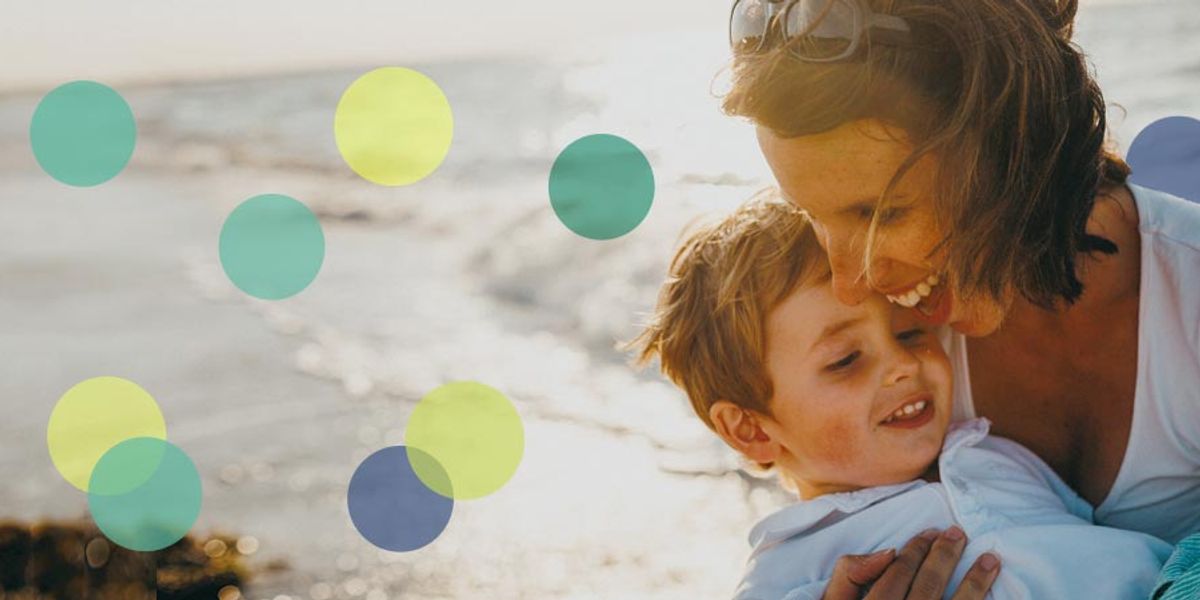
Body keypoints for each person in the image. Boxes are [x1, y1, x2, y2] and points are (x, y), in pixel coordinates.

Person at [722, 0, 1200, 596]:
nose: (851, 282)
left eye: (880, 214)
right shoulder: (888, 345)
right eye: (811, 215)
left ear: (1014, 151)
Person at [630, 196, 1171, 599]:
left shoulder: (996, 451)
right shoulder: (789, 571)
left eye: (911, 330)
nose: (903, 364)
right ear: (751, 430)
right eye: (845, 360)